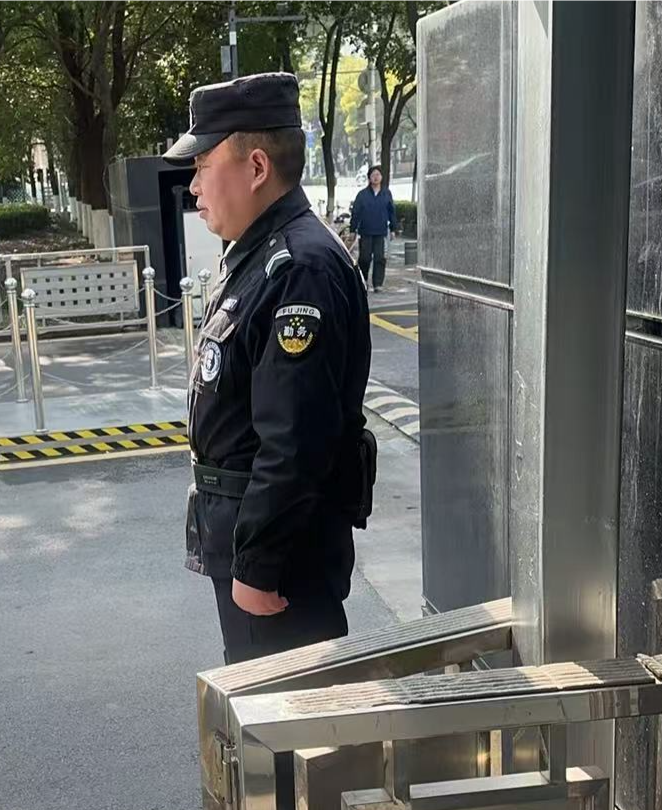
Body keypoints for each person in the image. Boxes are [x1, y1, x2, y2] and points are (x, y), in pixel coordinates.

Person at [163, 73, 376, 668]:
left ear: (256, 167)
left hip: (283, 563)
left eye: (203, 165)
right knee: (269, 706)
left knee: (290, 714)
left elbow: (295, 440)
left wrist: (258, 565)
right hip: (258, 544)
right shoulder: (261, 254)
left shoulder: (299, 268)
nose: (194, 184)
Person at [349, 166, 397, 293]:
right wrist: (353, 229)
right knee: (364, 258)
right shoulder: (362, 195)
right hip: (366, 231)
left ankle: (378, 284)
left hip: (381, 231)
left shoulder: (386, 193)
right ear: (369, 178)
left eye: (378, 175)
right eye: (373, 175)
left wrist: (393, 229)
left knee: (380, 258)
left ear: (381, 177)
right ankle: (363, 280)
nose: (376, 177)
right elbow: (356, 212)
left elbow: (391, 212)